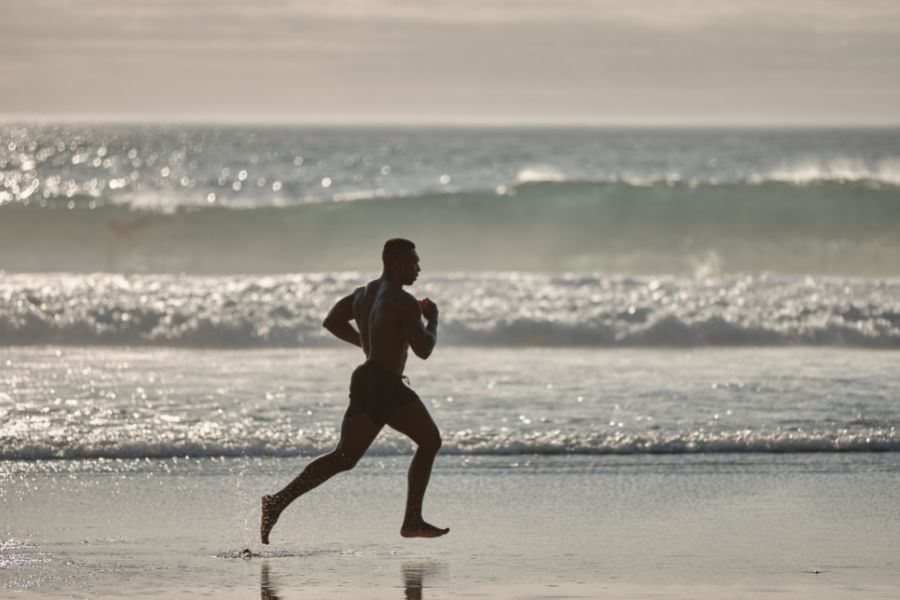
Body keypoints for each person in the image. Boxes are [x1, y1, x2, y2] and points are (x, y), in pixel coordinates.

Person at [261, 238, 448, 544]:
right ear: (396, 263)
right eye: (413, 262)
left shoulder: (364, 294)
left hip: (365, 379)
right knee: (430, 441)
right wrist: (434, 321)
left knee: (344, 457)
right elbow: (424, 349)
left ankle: (277, 502)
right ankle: (412, 519)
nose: (418, 268)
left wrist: (368, 344)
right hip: (385, 384)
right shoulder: (404, 301)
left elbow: (332, 321)